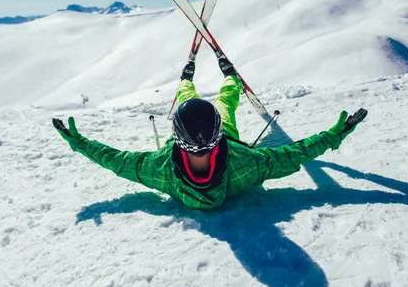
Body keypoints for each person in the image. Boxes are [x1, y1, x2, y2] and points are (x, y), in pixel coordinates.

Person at [53, 57, 368, 209]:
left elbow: (116, 160)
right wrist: (334, 135)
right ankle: (229, 76)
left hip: (205, 138)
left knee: (188, 98)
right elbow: (295, 154)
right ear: (218, 135)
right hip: (229, 139)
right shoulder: (246, 163)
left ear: (177, 139)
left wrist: (79, 143)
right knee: (227, 100)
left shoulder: (160, 169)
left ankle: (185, 78)